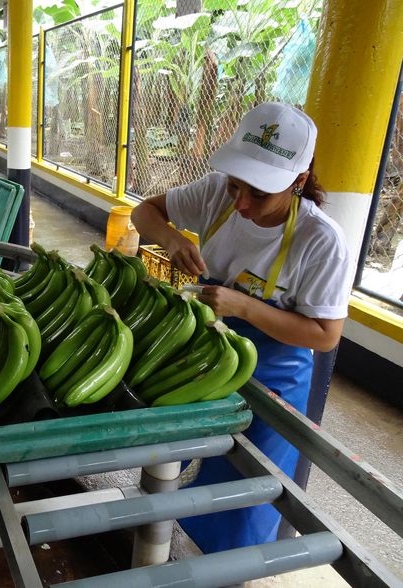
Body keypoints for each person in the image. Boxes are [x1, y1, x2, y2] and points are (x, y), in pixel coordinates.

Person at [131, 102, 351, 553]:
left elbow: (325, 335)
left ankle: (230, 572)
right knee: (170, 466)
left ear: (299, 180)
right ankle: (159, 551)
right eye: (235, 186)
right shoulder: (215, 194)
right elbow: (144, 212)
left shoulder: (322, 241)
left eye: (259, 194)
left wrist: (245, 308)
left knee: (243, 500)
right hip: (202, 358)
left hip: (274, 378)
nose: (241, 203)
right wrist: (172, 238)